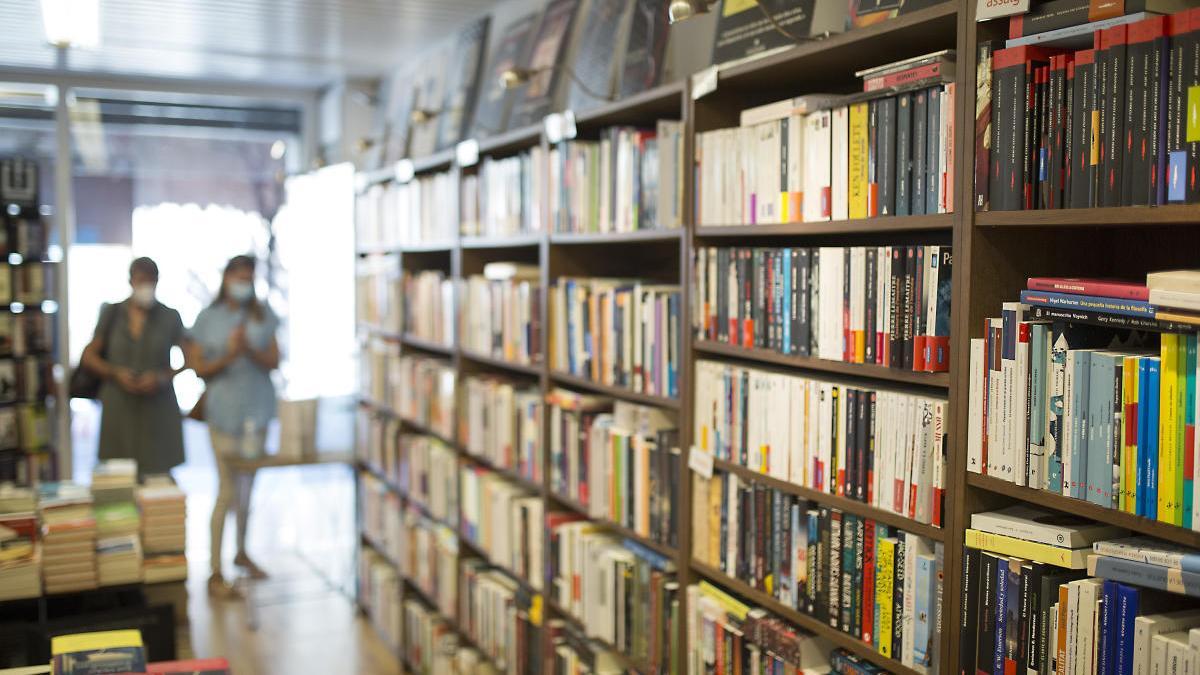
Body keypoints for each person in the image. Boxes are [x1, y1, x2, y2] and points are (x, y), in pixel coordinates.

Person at [187, 255, 280, 594]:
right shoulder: (207, 318)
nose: (244, 283)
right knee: (226, 490)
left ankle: (242, 552)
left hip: (256, 414)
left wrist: (249, 349)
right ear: (226, 278)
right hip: (223, 415)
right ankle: (215, 570)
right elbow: (197, 367)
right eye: (239, 277)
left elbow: (274, 359)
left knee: (247, 492)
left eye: (249, 278)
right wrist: (229, 353)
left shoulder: (261, 314)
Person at [81, 257, 186, 478]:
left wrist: (161, 377)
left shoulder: (169, 316)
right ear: (131, 281)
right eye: (141, 280)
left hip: (157, 410)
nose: (145, 286)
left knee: (158, 481)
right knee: (118, 482)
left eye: (151, 281)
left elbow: (192, 360)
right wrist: (115, 372)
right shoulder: (112, 313)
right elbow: (89, 356)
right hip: (118, 407)